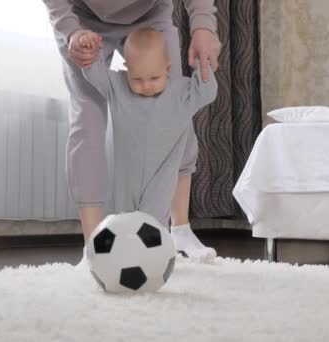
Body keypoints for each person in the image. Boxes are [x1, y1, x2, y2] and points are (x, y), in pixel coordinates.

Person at [43, 0, 221, 260]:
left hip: (150, 17)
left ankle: (180, 231)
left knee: (175, 113)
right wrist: (71, 31)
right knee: (88, 123)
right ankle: (94, 247)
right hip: (83, 24)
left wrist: (204, 25)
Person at [80, 28, 218, 260]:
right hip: (127, 178)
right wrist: (89, 50)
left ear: (167, 68)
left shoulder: (181, 92)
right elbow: (94, 74)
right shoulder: (118, 86)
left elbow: (207, 92)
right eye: (137, 79)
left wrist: (202, 64)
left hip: (161, 175)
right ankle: (115, 258)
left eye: (154, 78)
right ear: (126, 72)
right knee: (123, 221)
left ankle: (157, 258)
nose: (146, 85)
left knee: (153, 223)